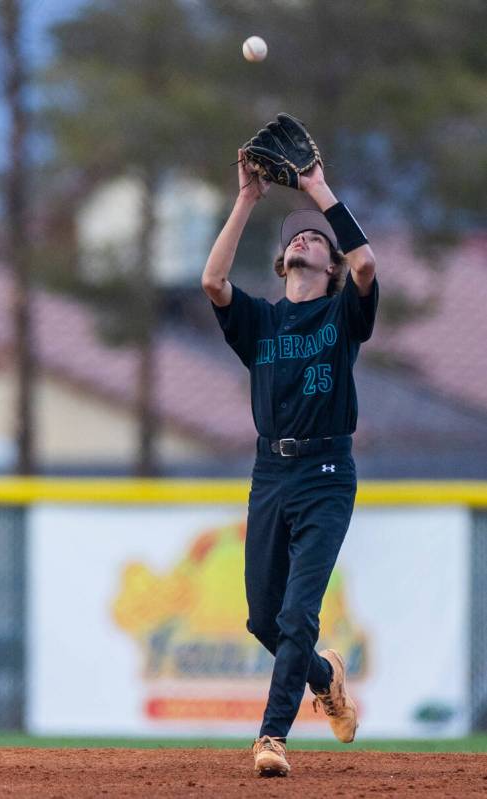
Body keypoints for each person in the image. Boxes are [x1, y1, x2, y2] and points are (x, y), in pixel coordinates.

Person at [201, 147, 378, 777]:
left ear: (327, 265)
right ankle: (324, 676)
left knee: (299, 612)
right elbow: (213, 282)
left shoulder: (342, 312)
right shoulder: (263, 323)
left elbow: (367, 264)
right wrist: (247, 198)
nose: (306, 237)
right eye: (297, 234)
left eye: (317, 238)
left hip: (327, 474)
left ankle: (271, 738)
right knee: (261, 618)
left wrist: (319, 188)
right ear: (283, 262)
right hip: (270, 474)